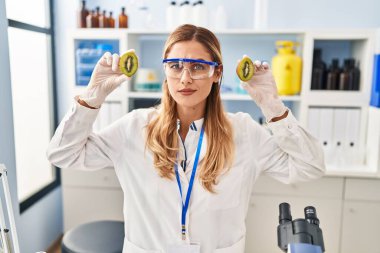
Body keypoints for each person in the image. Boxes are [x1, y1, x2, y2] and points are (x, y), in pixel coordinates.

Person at [47, 24, 325, 253]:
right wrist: (92, 96)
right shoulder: (134, 127)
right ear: (165, 71)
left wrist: (272, 105)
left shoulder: (244, 132)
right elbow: (62, 153)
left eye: (197, 67)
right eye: (176, 66)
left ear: (217, 72)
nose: (185, 78)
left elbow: (310, 166)